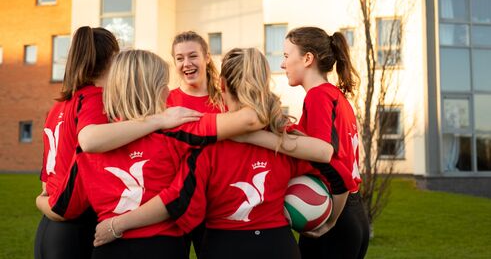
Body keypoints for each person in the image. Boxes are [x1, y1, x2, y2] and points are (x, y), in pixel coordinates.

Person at [90, 48, 335, 259]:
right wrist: (330, 217)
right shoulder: (285, 134)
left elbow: (186, 202)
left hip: (222, 244)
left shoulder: (204, 141)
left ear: (222, 85)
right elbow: (333, 171)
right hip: (278, 244)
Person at [35, 49, 275, 259]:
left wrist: (39, 200)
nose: (168, 92)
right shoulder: (180, 126)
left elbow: (64, 210)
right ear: (155, 89)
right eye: (164, 85)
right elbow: (251, 119)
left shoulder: (92, 145)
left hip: (108, 248)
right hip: (163, 246)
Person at [281, 27, 370, 259]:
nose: (283, 65)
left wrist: (330, 221)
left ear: (308, 58)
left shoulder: (318, 96)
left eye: (287, 56)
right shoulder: (335, 96)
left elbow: (326, 156)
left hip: (333, 214)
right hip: (353, 212)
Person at [35, 27, 120, 259]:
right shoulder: (94, 99)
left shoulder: (58, 106)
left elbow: (46, 183)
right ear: (113, 58)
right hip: (74, 224)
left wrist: (44, 203)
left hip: (48, 228)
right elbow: (90, 144)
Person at [167, 31, 224, 257]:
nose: (186, 64)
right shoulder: (165, 101)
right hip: (175, 204)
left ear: (207, 57)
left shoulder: (224, 100)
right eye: (180, 58)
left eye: (193, 56)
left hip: (215, 207)